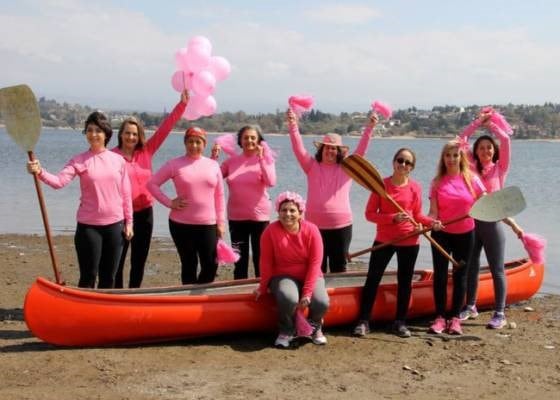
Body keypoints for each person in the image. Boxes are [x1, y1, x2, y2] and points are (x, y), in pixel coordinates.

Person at [27, 111, 133, 288]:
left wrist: (129, 223)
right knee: (88, 276)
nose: (93, 134)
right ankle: (85, 313)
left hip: (115, 226)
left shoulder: (118, 160)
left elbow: (126, 194)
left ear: (106, 134)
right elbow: (59, 182)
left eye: (97, 130)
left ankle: (103, 314)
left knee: (109, 277)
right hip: (89, 228)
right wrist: (39, 171)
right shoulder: (79, 160)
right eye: (89, 130)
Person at [353, 148, 435, 338]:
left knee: (405, 282)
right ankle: (363, 321)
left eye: (407, 163)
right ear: (394, 162)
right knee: (373, 279)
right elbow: (370, 214)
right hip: (384, 240)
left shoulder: (415, 187)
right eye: (400, 160)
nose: (403, 165)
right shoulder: (381, 185)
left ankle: (400, 322)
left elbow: (417, 215)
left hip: (409, 240)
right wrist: (392, 218)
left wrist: (432, 223)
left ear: (411, 168)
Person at [113, 90, 189, 288]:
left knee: (139, 258)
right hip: (120, 214)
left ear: (139, 136)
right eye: (127, 133)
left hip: (145, 213)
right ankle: (117, 295)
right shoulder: (111, 156)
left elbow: (165, 128)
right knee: (118, 259)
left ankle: (134, 293)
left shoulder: (147, 150)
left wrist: (181, 105)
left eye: (134, 134)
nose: (131, 137)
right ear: (120, 134)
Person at [286, 109, 378, 273]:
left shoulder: (347, 169)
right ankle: (315, 297)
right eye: (327, 147)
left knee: (339, 268)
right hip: (314, 227)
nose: (330, 151)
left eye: (334, 148)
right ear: (322, 149)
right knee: (315, 267)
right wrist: (293, 125)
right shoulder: (311, 166)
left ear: (339, 152)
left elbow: (360, 152)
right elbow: (298, 148)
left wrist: (369, 128)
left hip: (341, 227)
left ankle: (337, 298)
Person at [147, 126, 225, 284]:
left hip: (208, 224)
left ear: (204, 144)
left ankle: (201, 298)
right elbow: (152, 184)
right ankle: (189, 302)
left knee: (210, 265)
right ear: (185, 143)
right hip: (181, 225)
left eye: (198, 142)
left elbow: (220, 195)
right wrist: (170, 202)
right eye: (190, 141)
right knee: (189, 264)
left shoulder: (213, 165)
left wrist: (221, 222)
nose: (194, 145)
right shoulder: (174, 164)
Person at [458, 109, 512, 329]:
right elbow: (461, 140)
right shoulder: (470, 167)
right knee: (471, 266)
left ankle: (500, 313)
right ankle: (471, 306)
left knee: (496, 269)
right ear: (476, 152)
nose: (485, 151)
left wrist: (492, 126)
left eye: (489, 147)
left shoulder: (500, 168)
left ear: (494, 151)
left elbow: (506, 139)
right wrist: (477, 123)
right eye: (481, 148)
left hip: (493, 224)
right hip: (472, 222)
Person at [255, 191, 330, 348]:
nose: (287, 214)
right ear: (278, 212)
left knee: (322, 301)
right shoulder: (270, 231)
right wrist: (262, 287)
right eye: (283, 210)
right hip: (282, 275)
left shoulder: (312, 230)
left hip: (311, 274)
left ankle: (314, 327)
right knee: (288, 298)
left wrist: (308, 293)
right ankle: (287, 331)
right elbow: (266, 263)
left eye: (292, 210)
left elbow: (315, 263)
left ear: (300, 212)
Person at [427, 139, 486, 335]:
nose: (451, 159)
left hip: (466, 234)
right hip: (441, 233)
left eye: (455, 155)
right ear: (443, 158)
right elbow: (433, 212)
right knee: (441, 276)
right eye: (448, 155)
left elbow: (484, 203)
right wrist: (431, 222)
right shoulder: (436, 182)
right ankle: (439, 317)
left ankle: (454, 319)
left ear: (461, 157)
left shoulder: (472, 179)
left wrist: (484, 205)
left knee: (461, 277)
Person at [211, 125, 276, 279]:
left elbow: (271, 181)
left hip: (259, 217)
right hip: (236, 217)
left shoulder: (266, 160)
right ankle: (240, 291)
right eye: (246, 137)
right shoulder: (232, 161)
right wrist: (213, 158)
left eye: (253, 137)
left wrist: (261, 159)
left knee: (261, 258)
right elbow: (212, 178)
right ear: (240, 140)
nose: (249, 141)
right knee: (239, 260)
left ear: (259, 141)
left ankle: (263, 287)